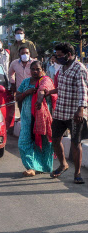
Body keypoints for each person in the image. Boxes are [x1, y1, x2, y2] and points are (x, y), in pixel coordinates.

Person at [46, 43, 88, 184]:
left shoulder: (79, 69)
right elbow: (63, 87)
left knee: (76, 143)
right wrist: (50, 91)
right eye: (56, 55)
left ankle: (77, 173)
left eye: (59, 55)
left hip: (75, 114)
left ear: (68, 55)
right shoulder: (62, 68)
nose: (57, 58)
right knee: (55, 139)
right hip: (60, 112)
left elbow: (83, 90)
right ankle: (63, 164)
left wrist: (80, 110)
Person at [16, 61, 57, 177]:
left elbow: (43, 90)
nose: (35, 71)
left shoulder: (46, 80)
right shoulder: (25, 82)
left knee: (44, 142)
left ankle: (43, 166)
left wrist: (39, 100)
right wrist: (26, 93)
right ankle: (31, 167)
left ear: (43, 69)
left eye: (37, 69)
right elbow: (17, 97)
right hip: (27, 117)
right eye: (32, 69)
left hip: (42, 117)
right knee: (24, 142)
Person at [8, 46, 35, 112]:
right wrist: (13, 83)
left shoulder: (34, 63)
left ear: (29, 54)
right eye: (23, 53)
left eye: (27, 53)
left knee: (33, 111)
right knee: (22, 110)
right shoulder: (14, 63)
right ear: (19, 54)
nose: (25, 55)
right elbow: (10, 74)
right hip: (20, 91)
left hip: (33, 91)